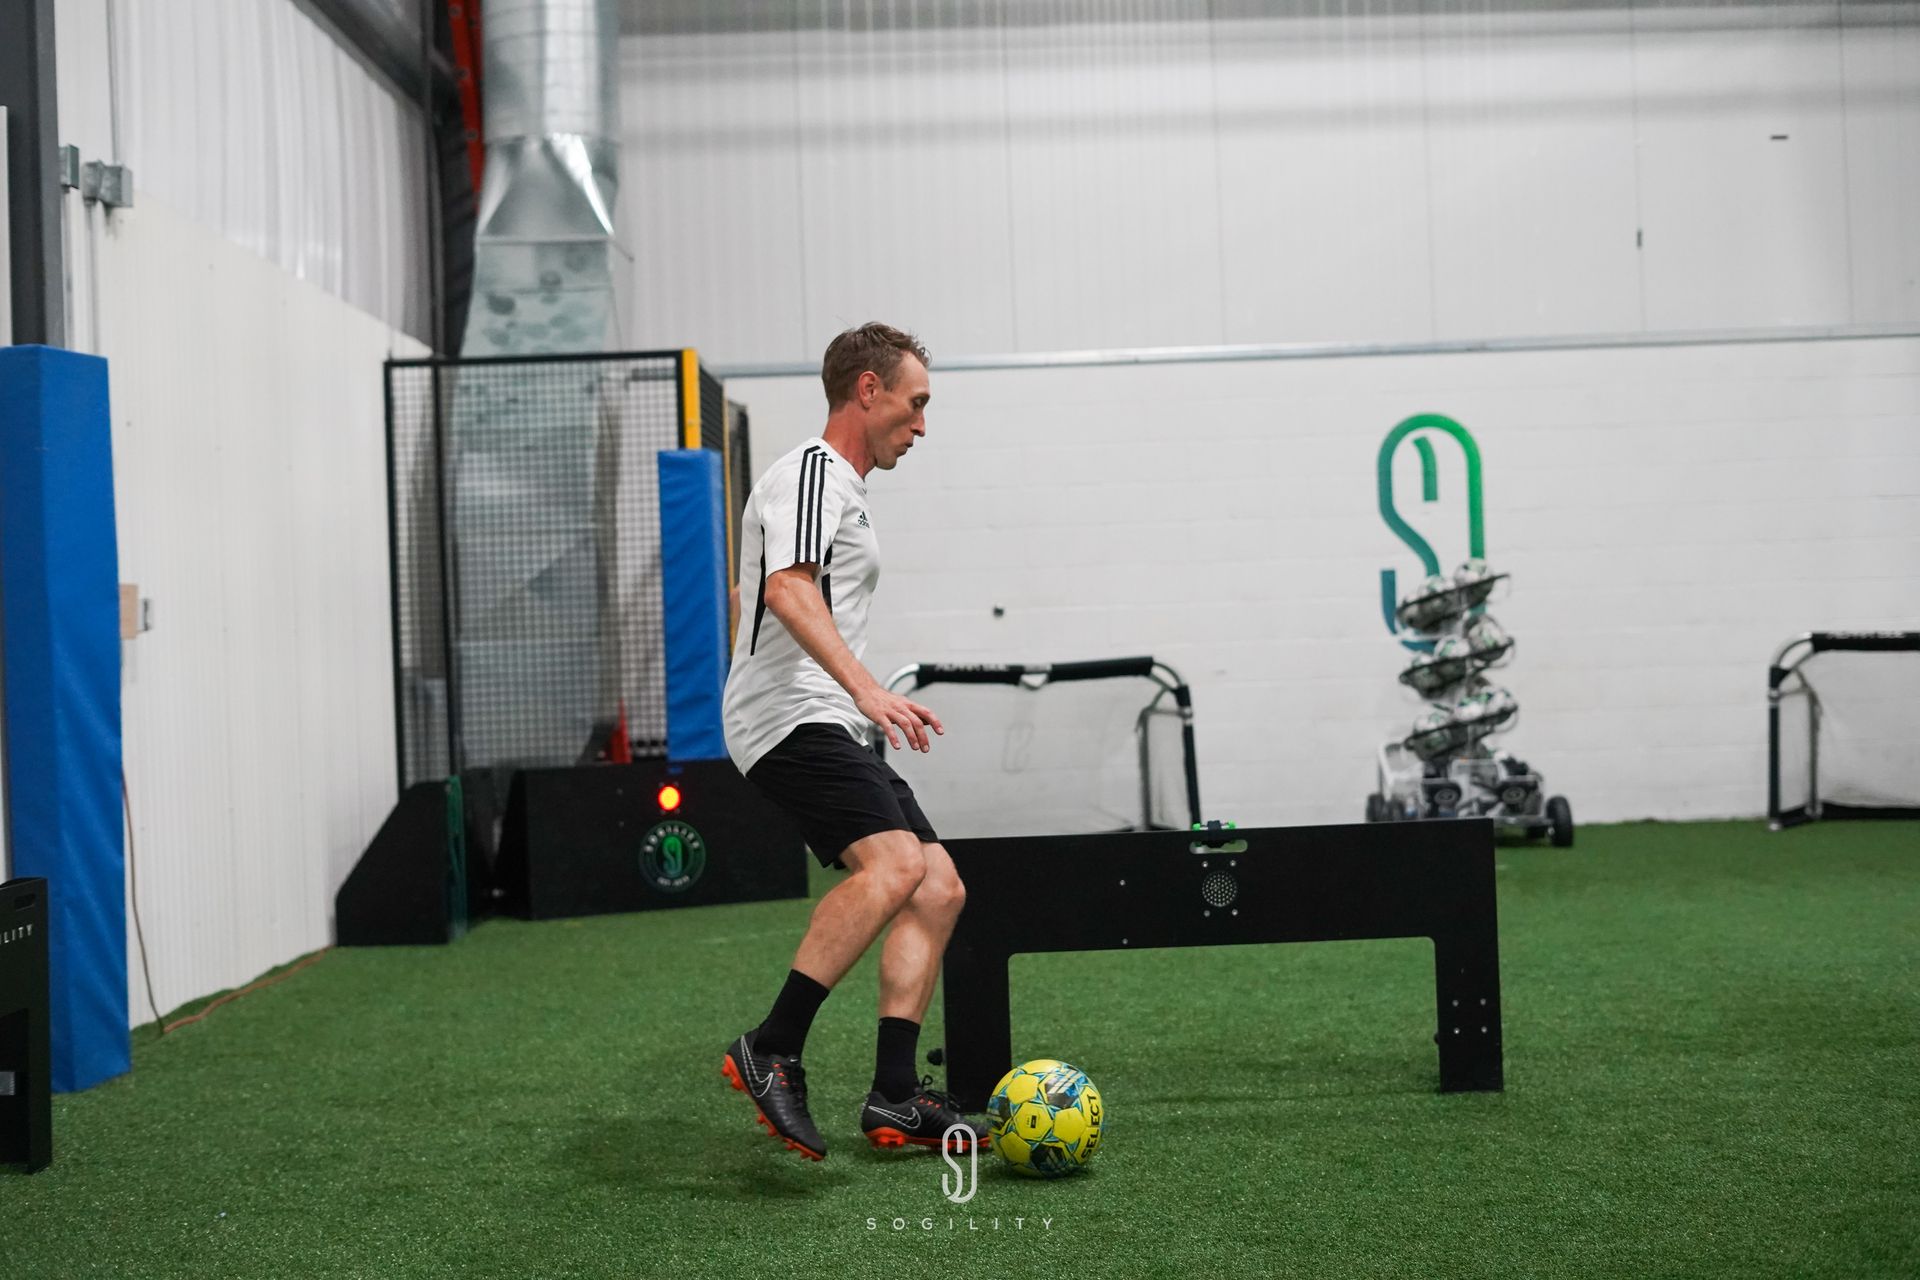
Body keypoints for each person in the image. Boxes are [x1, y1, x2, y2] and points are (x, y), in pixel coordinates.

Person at [718, 323, 985, 1162]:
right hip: (788, 717)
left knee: (937, 886)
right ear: (866, 391)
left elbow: (754, 590)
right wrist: (867, 688)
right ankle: (772, 1047)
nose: (923, 424)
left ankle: (896, 1096)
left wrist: (860, 703)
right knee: (896, 865)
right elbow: (786, 586)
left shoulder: (844, 490)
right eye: (916, 404)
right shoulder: (812, 471)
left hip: (829, 715)